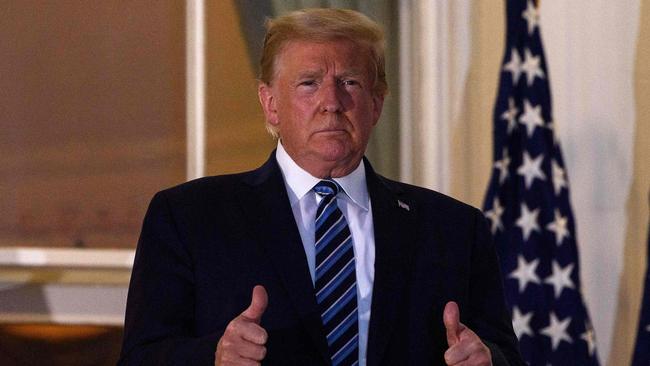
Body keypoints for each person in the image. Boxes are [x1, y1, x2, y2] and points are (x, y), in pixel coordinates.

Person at [118, 8, 524, 366]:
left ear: (377, 103)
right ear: (270, 103)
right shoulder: (190, 218)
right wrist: (214, 356)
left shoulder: (454, 228)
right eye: (309, 83)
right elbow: (141, 357)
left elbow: (504, 354)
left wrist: (488, 361)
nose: (332, 101)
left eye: (350, 82)